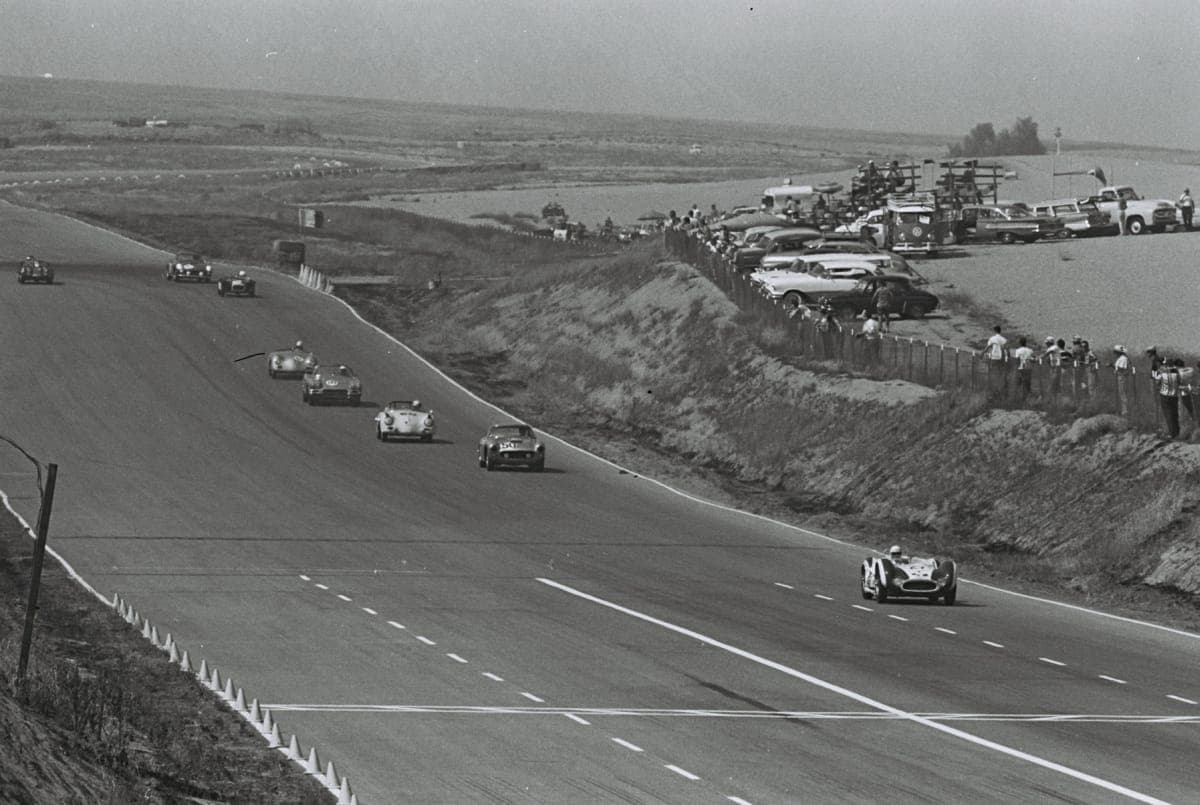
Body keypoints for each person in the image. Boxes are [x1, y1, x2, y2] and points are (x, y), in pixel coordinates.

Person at [1152, 357, 1181, 438]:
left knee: (1168, 414)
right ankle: (1177, 431)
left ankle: (1172, 433)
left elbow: (1157, 383)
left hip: (1164, 395)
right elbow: (1179, 382)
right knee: (1175, 414)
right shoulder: (1176, 374)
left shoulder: (1162, 374)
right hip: (1174, 396)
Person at [981, 325, 1008, 392]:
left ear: (995, 331)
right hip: (1001, 358)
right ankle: (999, 388)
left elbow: (988, 347)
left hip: (993, 357)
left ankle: (993, 388)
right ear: (1000, 331)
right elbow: (1006, 349)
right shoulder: (1003, 339)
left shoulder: (992, 338)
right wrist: (1008, 356)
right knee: (999, 372)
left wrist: (983, 353)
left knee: (993, 372)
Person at [1112, 345, 1131, 416]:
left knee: (1123, 394)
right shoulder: (1121, 358)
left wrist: (1111, 365)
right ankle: (1123, 410)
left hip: (1122, 377)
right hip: (1120, 377)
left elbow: (1121, 368)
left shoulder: (1123, 358)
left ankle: (1125, 411)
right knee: (1121, 394)